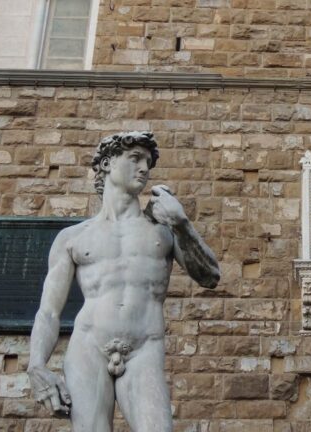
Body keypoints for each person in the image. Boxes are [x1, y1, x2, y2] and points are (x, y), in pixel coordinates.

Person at [27, 131, 220, 431]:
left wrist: (182, 224)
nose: (144, 168)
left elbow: (210, 276)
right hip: (87, 348)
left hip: (144, 349)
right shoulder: (73, 238)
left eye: (147, 162)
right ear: (106, 164)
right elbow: (49, 312)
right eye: (135, 159)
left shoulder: (163, 230)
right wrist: (36, 364)